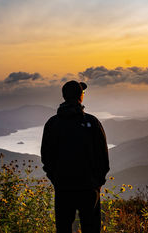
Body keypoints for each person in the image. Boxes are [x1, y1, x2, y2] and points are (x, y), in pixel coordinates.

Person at [41, 80, 110, 233]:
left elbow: (46, 157)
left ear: (64, 97)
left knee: (64, 228)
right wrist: (98, 182)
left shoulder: (52, 124)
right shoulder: (92, 122)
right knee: (90, 228)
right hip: (89, 188)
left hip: (63, 188)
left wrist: (56, 179)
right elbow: (103, 156)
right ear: (81, 97)